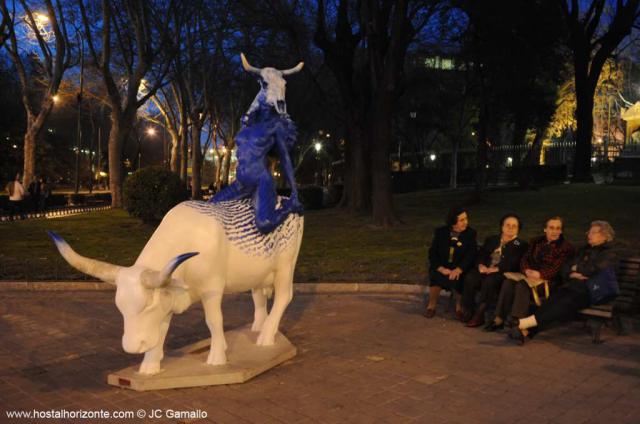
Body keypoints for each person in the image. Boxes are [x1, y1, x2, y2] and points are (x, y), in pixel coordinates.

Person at [513, 221, 617, 343]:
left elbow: (594, 269)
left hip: (593, 292)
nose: (589, 234)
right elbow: (566, 267)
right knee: (552, 300)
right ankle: (526, 331)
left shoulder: (609, 253)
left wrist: (576, 268)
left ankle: (524, 324)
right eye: (589, 231)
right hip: (574, 287)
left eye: (594, 232)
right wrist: (573, 272)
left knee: (564, 304)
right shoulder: (584, 249)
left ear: (604, 236)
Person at [485, 216, 573, 333]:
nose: (554, 231)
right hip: (529, 276)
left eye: (558, 228)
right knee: (509, 282)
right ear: (545, 229)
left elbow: (557, 268)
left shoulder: (565, 247)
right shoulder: (536, 241)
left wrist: (540, 274)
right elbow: (524, 259)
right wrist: (526, 270)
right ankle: (499, 318)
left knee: (522, 285)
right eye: (551, 228)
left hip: (549, 281)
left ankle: (519, 322)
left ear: (561, 230)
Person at [462, 214, 528, 327]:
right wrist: (481, 265)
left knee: (490, 281)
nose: (510, 228)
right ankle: (468, 309)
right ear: (502, 227)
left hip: (502, 273)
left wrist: (497, 269)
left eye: (514, 226)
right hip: (485, 269)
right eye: (507, 225)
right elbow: (481, 254)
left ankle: (480, 314)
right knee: (470, 277)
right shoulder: (492, 239)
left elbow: (515, 263)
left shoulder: (521, 245)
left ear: (518, 229)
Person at [426, 206, 477, 319]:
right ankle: (432, 304)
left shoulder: (470, 234)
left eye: (466, 219)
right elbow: (432, 253)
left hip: (460, 266)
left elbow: (471, 255)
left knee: (461, 277)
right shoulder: (441, 232)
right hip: (443, 266)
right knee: (436, 275)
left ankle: (459, 306)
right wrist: (441, 268)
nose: (466, 222)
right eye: (462, 220)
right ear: (453, 222)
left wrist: (459, 269)